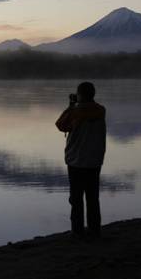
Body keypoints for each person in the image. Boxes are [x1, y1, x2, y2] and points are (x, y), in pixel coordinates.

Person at [55, 82, 106, 239]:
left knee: (76, 199)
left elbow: (60, 125)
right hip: (94, 160)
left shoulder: (75, 112)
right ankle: (94, 230)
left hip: (76, 161)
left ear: (80, 95)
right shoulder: (100, 110)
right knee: (92, 198)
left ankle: (77, 231)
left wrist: (71, 106)